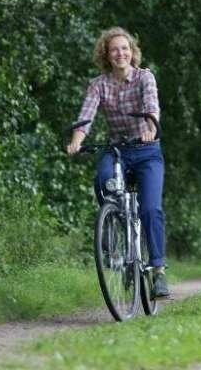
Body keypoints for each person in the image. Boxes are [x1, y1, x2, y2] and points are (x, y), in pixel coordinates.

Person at [66, 27, 170, 299]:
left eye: (125, 48)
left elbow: (152, 107)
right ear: (106, 55)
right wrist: (77, 139)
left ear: (132, 52)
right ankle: (114, 228)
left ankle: (158, 271)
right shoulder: (99, 84)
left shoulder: (144, 77)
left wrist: (150, 128)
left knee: (150, 209)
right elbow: (86, 115)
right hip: (118, 150)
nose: (120, 53)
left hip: (147, 149)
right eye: (114, 49)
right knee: (102, 180)